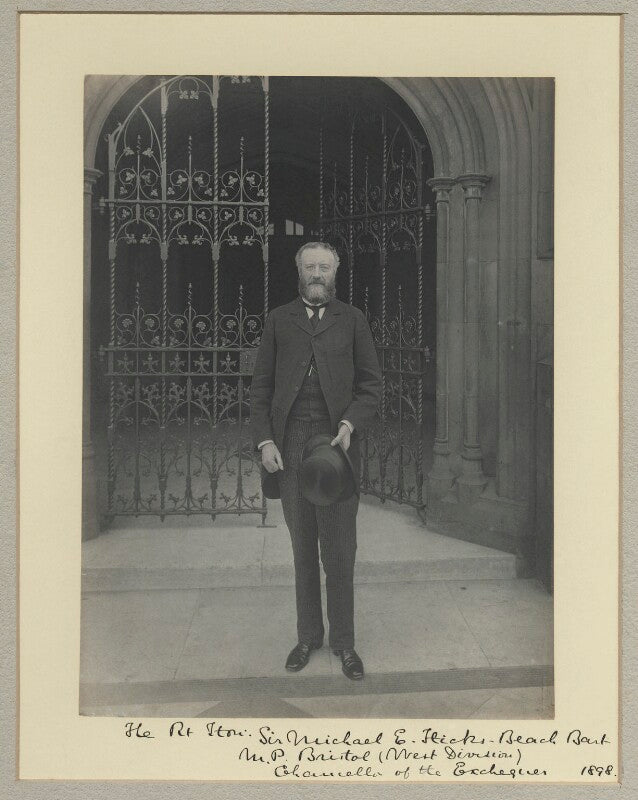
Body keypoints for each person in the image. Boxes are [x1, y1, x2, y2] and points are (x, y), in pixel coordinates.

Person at [250, 241, 382, 681]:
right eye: (311, 267)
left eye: (325, 267)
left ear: (336, 272)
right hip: (289, 449)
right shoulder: (278, 320)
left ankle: (344, 643)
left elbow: (371, 386)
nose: (318, 274)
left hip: (336, 447)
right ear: (299, 272)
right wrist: (266, 441)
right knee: (303, 548)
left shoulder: (353, 320)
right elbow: (260, 391)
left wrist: (350, 425)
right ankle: (309, 636)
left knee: (340, 551)